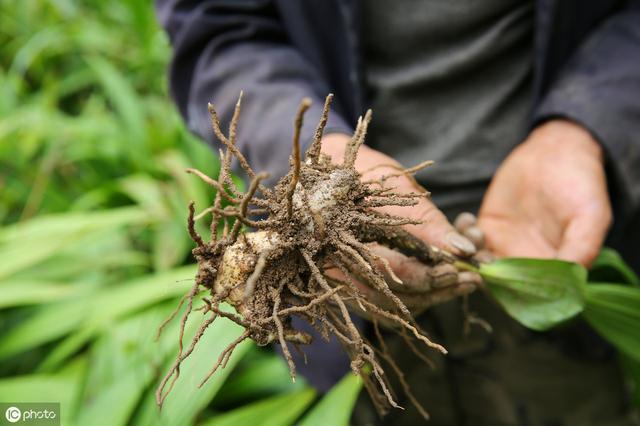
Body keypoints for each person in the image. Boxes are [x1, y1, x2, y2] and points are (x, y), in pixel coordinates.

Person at [156, 1, 640, 424]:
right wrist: (310, 149)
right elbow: (218, 29)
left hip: (542, 250)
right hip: (352, 307)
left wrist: (586, 128)